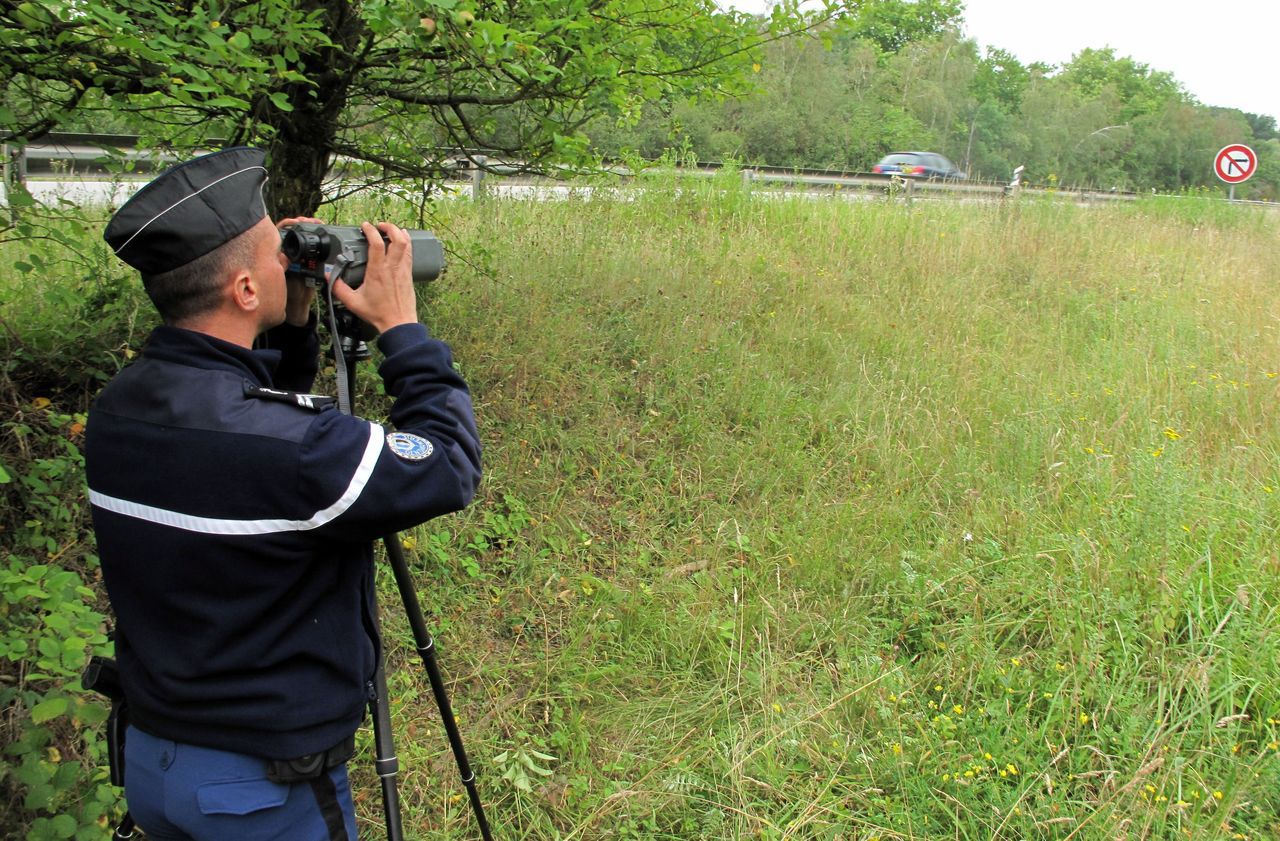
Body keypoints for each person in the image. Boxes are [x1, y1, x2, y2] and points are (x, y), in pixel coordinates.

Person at [84, 147, 483, 840]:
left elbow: (249, 419)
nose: (290, 259)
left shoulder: (118, 407)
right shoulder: (298, 450)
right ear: (243, 290)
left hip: (154, 762)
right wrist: (403, 331)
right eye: (278, 253)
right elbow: (449, 464)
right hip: (258, 794)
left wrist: (297, 317)